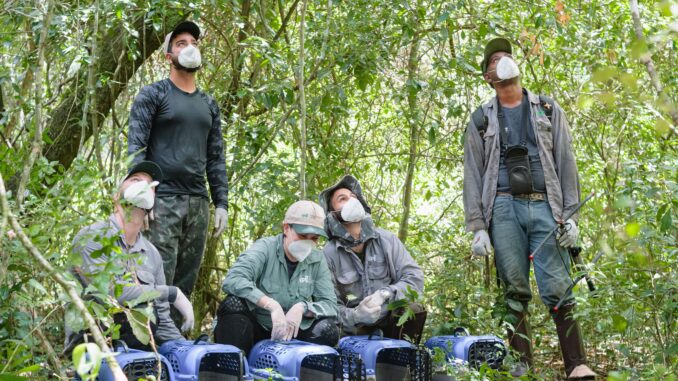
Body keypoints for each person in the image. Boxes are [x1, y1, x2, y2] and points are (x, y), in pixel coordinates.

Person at [462, 37, 596, 379]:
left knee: (558, 286)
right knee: (514, 288)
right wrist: (478, 227)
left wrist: (572, 216)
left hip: (545, 207)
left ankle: (577, 364)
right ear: (487, 77)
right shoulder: (480, 120)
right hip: (503, 209)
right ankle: (522, 366)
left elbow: (567, 163)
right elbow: (473, 176)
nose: (501, 62)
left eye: (505, 57)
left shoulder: (548, 109)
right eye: (493, 61)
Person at [127, 21, 228, 300]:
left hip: (197, 202)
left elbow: (216, 156)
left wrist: (221, 203)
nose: (189, 48)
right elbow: (137, 146)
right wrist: (140, 197)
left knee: (185, 287)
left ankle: (178, 343)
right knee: (156, 281)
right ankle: (150, 342)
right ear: (168, 56)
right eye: (181, 43)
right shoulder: (153, 94)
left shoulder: (209, 104)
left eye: (194, 43)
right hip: (162, 200)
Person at [65, 161, 193, 353]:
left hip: (140, 346)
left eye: (150, 185)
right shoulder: (91, 237)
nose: (143, 186)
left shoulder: (152, 254)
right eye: (135, 180)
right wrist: (172, 293)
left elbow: (162, 319)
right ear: (116, 195)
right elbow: (111, 294)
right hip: (92, 343)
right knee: (141, 308)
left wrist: (183, 348)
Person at [214, 201, 339, 355]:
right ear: (286, 228)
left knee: (328, 329)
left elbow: (330, 305)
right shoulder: (265, 248)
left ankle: (300, 371)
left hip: (292, 334)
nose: (308, 242)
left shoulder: (317, 259)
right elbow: (233, 279)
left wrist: (303, 308)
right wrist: (270, 304)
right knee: (232, 304)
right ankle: (237, 369)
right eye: (302, 235)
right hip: (257, 328)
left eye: (314, 238)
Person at [319, 175, 426, 344]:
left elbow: (415, 278)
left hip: (391, 322)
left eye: (354, 197)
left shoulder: (387, 240)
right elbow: (329, 306)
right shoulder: (328, 254)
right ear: (333, 213)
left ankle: (404, 361)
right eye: (342, 199)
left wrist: (386, 293)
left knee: (414, 308)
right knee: (325, 327)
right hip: (355, 329)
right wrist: (356, 315)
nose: (351, 201)